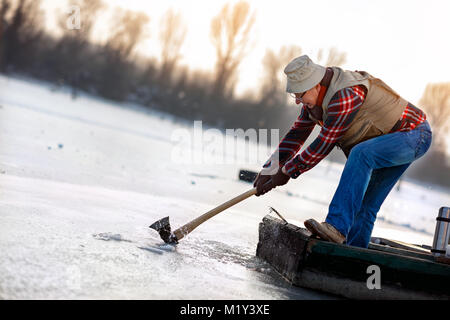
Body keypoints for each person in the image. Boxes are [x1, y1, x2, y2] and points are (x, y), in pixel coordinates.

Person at [253, 55, 432, 248]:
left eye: (300, 94)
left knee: (361, 154)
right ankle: (355, 255)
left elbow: (324, 143)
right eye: (294, 95)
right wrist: (270, 168)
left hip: (414, 135)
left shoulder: (345, 95)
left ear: (316, 85)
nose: (298, 101)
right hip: (389, 140)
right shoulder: (314, 101)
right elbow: (297, 134)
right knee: (364, 206)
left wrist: (287, 172)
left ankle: (336, 227)